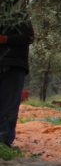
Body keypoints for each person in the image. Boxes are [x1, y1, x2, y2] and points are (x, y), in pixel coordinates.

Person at [0, 19, 34, 148]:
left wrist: (6, 39)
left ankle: (3, 143)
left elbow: (29, 37)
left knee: (9, 106)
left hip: (14, 65)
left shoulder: (20, 16)